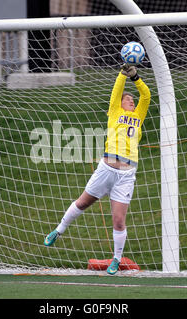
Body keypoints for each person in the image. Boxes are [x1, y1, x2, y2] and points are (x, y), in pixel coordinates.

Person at [44, 64, 151, 275]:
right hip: (106, 169)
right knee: (83, 202)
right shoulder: (114, 112)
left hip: (126, 174)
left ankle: (117, 259)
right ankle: (59, 230)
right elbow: (116, 92)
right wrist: (122, 75)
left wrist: (135, 77)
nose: (131, 100)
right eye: (127, 98)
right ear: (119, 104)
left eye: (132, 99)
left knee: (119, 220)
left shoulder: (139, 115)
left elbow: (146, 95)